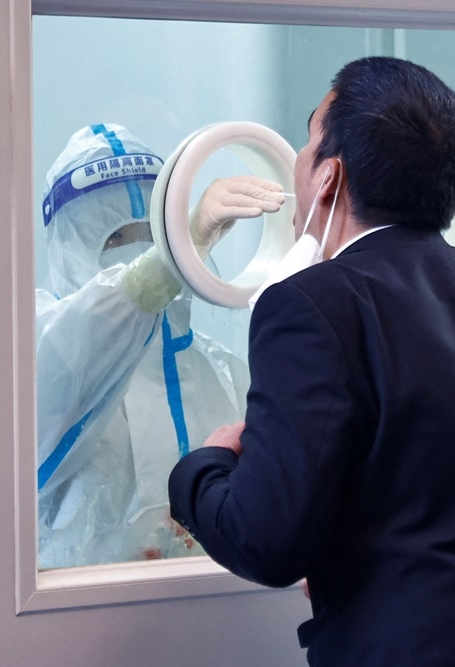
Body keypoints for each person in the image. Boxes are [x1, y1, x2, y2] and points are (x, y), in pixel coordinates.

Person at [167, 58, 455, 665]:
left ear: (329, 179)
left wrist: (202, 468)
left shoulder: (310, 309)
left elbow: (268, 543)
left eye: (310, 138)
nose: (298, 160)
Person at [37, 123, 284, 569]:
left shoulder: (223, 371)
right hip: (75, 623)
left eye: (149, 234)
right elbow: (85, 344)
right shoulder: (44, 350)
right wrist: (177, 252)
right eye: (114, 239)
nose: (136, 254)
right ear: (69, 248)